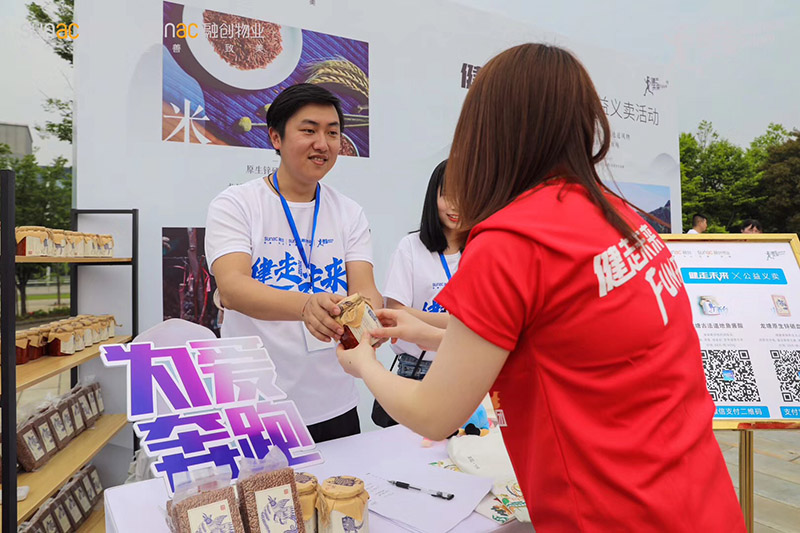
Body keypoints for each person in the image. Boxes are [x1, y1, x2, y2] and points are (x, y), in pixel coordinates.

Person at [336, 44, 745, 532]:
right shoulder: (623, 218)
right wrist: (425, 330)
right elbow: (559, 341)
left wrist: (362, 364)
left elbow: (433, 414)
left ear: (486, 130)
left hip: (611, 512)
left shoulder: (512, 239)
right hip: (699, 497)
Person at [205, 83, 382, 443]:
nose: (323, 144)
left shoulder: (349, 212)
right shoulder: (236, 204)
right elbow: (233, 288)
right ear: (276, 137)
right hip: (256, 403)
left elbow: (366, 289)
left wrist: (371, 320)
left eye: (332, 133)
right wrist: (306, 306)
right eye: (309, 130)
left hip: (335, 401)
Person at [373, 160, 460, 426]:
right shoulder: (411, 247)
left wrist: (417, 320)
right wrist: (459, 322)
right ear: (433, 196)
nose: (457, 205)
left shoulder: (485, 251)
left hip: (467, 372)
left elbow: (489, 323)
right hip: (415, 371)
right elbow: (394, 313)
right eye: (448, 194)